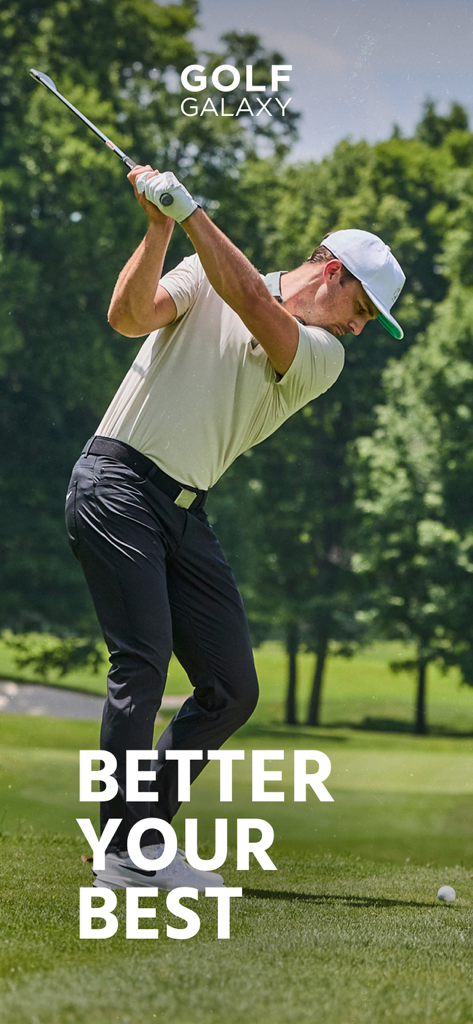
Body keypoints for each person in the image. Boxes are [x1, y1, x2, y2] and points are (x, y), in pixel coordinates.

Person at [66, 166, 405, 891]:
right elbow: (128, 317)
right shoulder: (198, 268)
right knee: (143, 662)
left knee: (230, 688)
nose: (359, 327)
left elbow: (251, 298)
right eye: (364, 308)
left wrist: (188, 210)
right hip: (117, 481)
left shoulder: (322, 355)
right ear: (332, 272)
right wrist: (160, 225)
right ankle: (123, 853)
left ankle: (144, 841)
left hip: (185, 512)